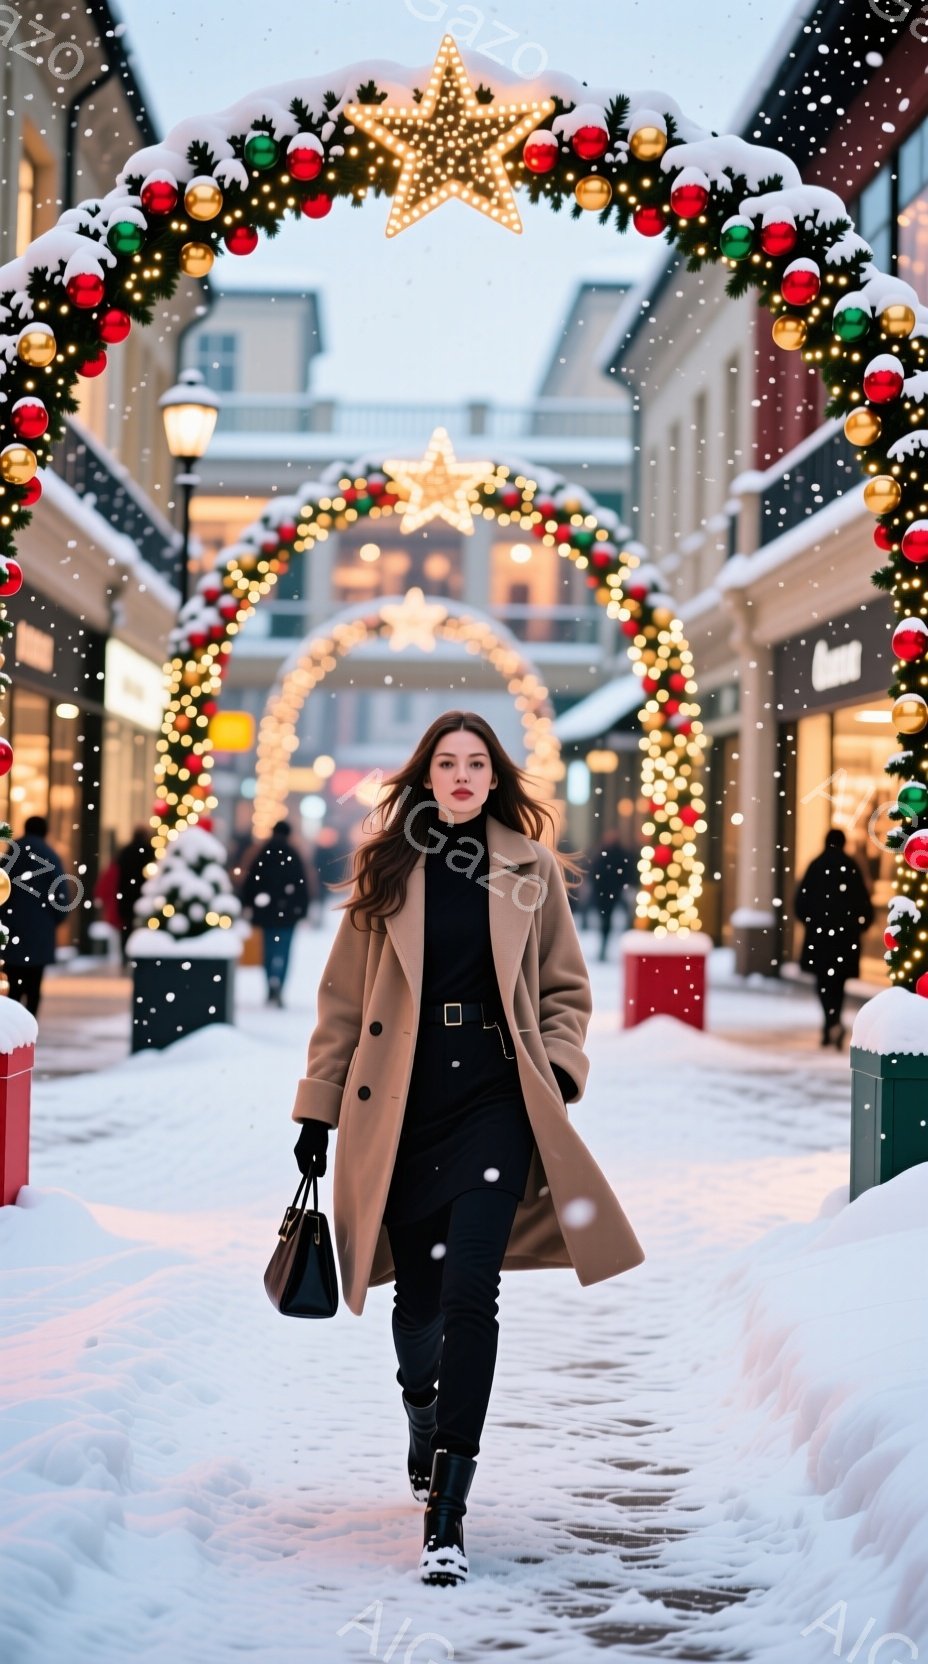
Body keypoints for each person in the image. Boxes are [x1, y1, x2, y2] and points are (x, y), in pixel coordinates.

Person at [289, 711, 644, 1586]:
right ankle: (422, 1404)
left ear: (494, 778)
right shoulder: (389, 867)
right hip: (401, 1106)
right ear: (426, 776)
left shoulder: (528, 869)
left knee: (472, 1293)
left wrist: (556, 1074)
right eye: (445, 763)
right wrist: (317, 1111)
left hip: (496, 1097)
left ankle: (447, 1513)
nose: (458, 777)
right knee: (419, 1308)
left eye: (474, 764)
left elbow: (566, 985)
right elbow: (342, 1003)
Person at [794, 828, 874, 1047]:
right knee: (838, 982)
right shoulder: (850, 867)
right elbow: (863, 903)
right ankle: (834, 1020)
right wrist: (860, 925)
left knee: (823, 981)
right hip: (844, 938)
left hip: (820, 937)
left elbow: (800, 904)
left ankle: (830, 1020)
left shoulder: (816, 866)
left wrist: (813, 922)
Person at [240, 820, 310, 1005]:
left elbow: (251, 882)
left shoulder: (263, 853)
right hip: (288, 914)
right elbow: (302, 885)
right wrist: (302, 910)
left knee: (268, 949)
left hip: (266, 912)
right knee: (284, 950)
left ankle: (270, 983)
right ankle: (279, 983)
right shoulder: (293, 854)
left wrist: (248, 905)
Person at [2, 815, 66, 1017]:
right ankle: (29, 1023)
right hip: (40, 930)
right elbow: (60, 895)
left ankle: (11, 1024)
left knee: (13, 982)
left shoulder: (12, 854)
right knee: (34, 985)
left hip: (12, 928)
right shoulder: (50, 856)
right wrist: (55, 919)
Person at [589, 830, 636, 961]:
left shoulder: (615, 853)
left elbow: (626, 872)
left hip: (613, 892)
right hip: (605, 892)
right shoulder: (604, 853)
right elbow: (595, 872)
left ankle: (624, 947)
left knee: (614, 919)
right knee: (606, 920)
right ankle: (606, 946)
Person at [114, 828, 155, 963]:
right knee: (143, 925)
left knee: (126, 926)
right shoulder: (149, 851)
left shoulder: (126, 851)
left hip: (126, 893)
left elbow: (118, 872)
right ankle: (140, 955)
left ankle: (125, 955)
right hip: (142, 893)